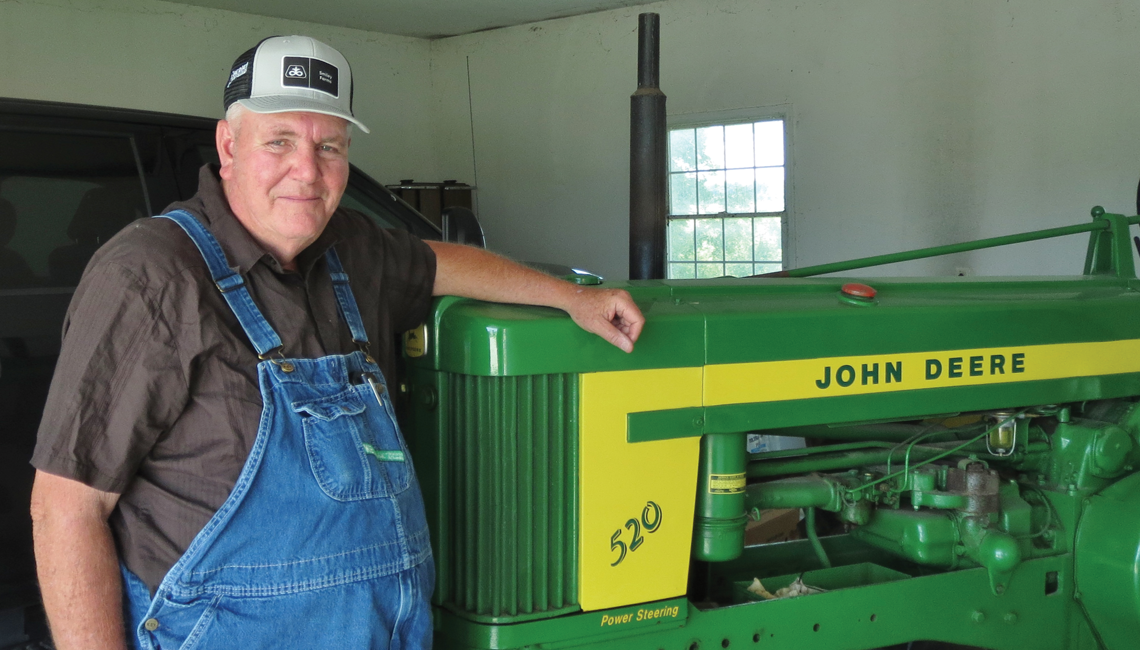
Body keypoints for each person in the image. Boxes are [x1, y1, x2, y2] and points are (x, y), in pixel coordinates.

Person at [29, 35, 644, 650]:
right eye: (281, 142)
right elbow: (65, 511)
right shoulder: (150, 276)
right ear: (227, 145)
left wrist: (570, 297)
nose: (308, 170)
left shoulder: (350, 249)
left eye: (329, 146)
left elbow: (436, 262)